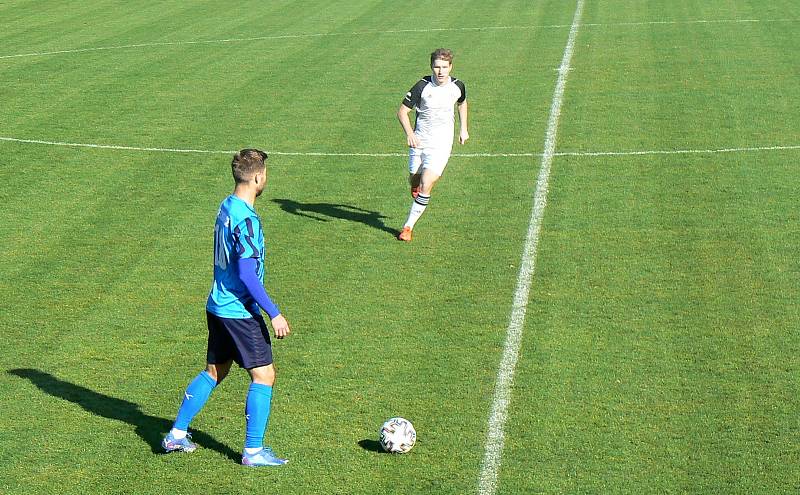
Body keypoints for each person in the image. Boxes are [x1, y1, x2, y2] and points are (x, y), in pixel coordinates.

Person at [162, 148, 292, 467]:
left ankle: (177, 434)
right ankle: (253, 451)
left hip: (217, 305)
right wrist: (273, 312)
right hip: (238, 311)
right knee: (264, 376)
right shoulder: (247, 220)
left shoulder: (226, 206)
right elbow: (247, 273)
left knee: (215, 372)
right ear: (259, 177)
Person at [396, 48, 469, 242]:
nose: (441, 71)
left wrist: (464, 129)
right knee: (415, 179)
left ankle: (408, 227)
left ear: (450, 67)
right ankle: (415, 185)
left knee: (426, 184)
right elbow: (402, 112)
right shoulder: (422, 86)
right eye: (437, 67)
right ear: (431, 67)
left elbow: (462, 102)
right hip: (420, 141)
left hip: (442, 144)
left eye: (444, 67)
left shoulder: (458, 86)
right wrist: (410, 134)